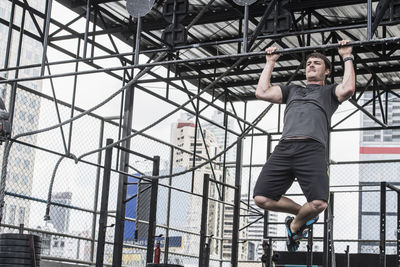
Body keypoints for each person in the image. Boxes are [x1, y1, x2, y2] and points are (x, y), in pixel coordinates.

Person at [253, 40, 355, 251]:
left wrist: (347, 55)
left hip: (312, 149)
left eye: (317, 63)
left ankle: (295, 225)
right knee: (261, 198)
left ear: (326, 71)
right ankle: (301, 216)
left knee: (319, 204)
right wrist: (270, 62)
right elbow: (261, 92)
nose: (311, 65)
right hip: (285, 148)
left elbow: (348, 88)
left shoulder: (329, 93)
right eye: (309, 63)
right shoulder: (292, 91)